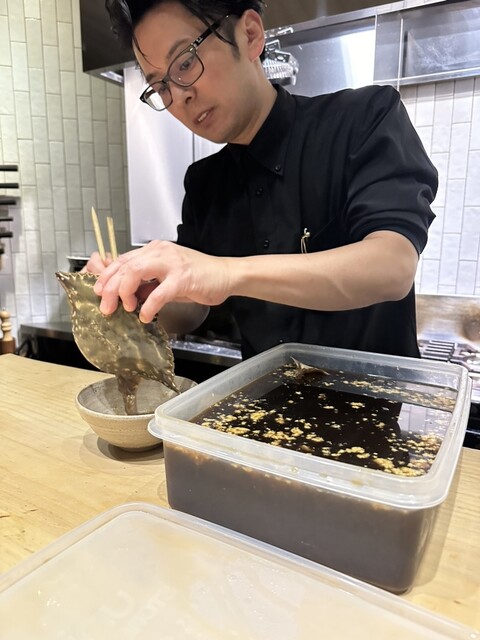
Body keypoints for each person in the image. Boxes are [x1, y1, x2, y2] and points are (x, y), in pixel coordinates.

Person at [90, 0, 438, 360]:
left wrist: (227, 272)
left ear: (251, 35)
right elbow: (193, 312)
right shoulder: (205, 184)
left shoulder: (363, 119)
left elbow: (393, 266)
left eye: (185, 63)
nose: (179, 96)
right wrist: (144, 292)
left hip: (373, 394)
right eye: (160, 86)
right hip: (262, 397)